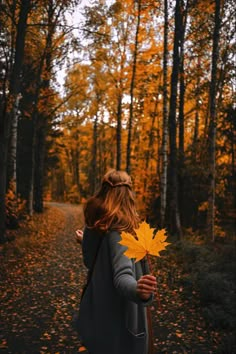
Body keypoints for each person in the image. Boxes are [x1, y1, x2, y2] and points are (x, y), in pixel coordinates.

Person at [76, 169, 157, 354]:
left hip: (99, 309)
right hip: (119, 317)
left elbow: (91, 262)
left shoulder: (96, 225)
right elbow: (123, 275)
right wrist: (137, 290)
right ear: (129, 195)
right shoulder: (120, 233)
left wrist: (84, 240)